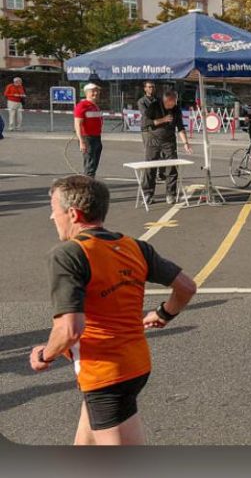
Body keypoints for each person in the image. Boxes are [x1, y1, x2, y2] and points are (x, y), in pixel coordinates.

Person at [30, 175, 197, 445]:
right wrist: (164, 313)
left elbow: (70, 329)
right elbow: (186, 287)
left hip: (105, 375)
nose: (51, 217)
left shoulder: (69, 254)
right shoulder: (136, 247)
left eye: (54, 210)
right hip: (136, 363)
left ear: (73, 214)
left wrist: (44, 355)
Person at [141, 89, 192, 205]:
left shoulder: (176, 109)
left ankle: (171, 194)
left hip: (169, 141)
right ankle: (148, 194)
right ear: (167, 100)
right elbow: (145, 123)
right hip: (153, 139)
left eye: (175, 102)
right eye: (173, 102)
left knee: (172, 167)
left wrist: (186, 143)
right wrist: (162, 120)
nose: (175, 104)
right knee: (150, 167)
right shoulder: (154, 106)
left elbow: (180, 127)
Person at [74, 83, 104, 177]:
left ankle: (90, 181)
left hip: (97, 137)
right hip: (87, 138)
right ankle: (88, 183)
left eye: (97, 91)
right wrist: (81, 141)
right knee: (89, 164)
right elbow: (77, 124)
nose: (96, 93)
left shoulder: (95, 106)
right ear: (86, 93)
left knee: (94, 163)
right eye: (93, 91)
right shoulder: (82, 105)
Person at [137, 82, 165, 183]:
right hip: (147, 129)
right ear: (145, 89)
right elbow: (146, 114)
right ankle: (148, 177)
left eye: (153, 87)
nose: (151, 89)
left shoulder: (159, 100)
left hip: (159, 128)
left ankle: (160, 174)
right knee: (150, 153)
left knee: (162, 152)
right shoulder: (142, 101)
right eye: (149, 87)